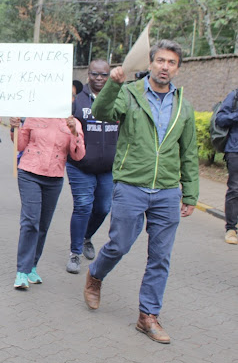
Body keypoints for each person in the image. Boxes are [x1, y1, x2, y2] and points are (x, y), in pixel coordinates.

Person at [83, 40, 198, 344]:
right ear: (150, 63)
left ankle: (148, 316)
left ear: (177, 67)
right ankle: (95, 275)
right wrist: (113, 85)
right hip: (131, 184)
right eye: (160, 60)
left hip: (167, 191)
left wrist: (190, 194)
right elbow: (101, 112)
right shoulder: (131, 94)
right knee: (119, 245)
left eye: (171, 62)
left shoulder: (183, 105)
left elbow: (188, 152)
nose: (164, 66)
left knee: (160, 256)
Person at [10, 112, 85, 290]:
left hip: (54, 177)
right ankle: (22, 270)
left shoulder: (72, 122)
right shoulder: (34, 116)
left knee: (43, 224)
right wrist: (15, 127)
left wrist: (74, 132)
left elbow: (78, 155)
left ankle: (32, 267)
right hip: (29, 173)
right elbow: (20, 145)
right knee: (30, 221)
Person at [65, 59, 119, 274]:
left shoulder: (118, 99)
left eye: (104, 75)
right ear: (88, 74)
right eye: (95, 74)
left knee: (103, 208)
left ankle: (87, 237)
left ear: (109, 76)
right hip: (80, 166)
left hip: (108, 168)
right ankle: (75, 252)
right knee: (83, 206)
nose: (99, 78)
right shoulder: (77, 101)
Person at [215, 88, 238, 244]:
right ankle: (231, 228)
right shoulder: (235, 95)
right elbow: (220, 119)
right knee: (235, 188)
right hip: (235, 150)